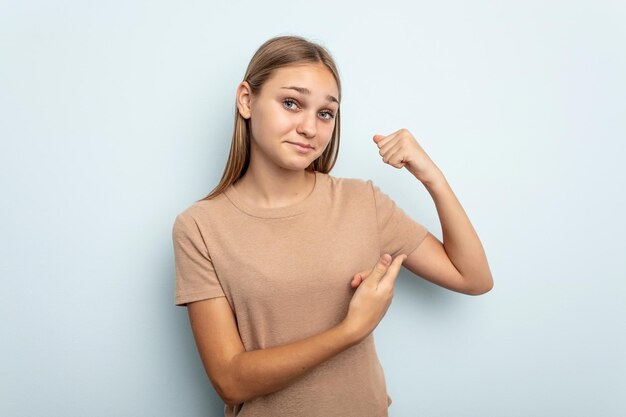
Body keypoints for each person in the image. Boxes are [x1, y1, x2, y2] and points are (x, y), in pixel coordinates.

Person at [172, 35, 493, 417]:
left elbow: (473, 278)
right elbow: (229, 379)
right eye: (291, 103)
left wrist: (432, 178)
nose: (309, 127)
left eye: (325, 113)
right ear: (246, 100)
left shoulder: (363, 203)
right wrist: (350, 330)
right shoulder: (200, 228)